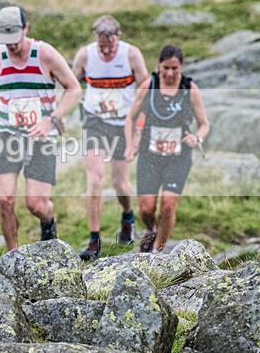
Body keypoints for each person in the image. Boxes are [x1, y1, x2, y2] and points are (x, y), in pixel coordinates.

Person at [0, 6, 82, 251]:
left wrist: (52, 119)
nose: (11, 46)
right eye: (6, 41)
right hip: (7, 132)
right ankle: (13, 255)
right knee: (4, 199)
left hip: (40, 136)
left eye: (15, 39)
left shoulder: (45, 55)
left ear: (26, 28)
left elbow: (74, 89)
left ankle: (48, 223)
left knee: (36, 204)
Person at [72, 15, 149, 260]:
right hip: (96, 122)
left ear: (119, 37)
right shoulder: (85, 55)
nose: (105, 51)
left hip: (123, 124)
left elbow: (146, 92)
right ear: (95, 38)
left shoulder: (131, 55)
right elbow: (71, 84)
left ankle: (127, 215)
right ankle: (94, 242)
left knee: (119, 183)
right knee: (95, 179)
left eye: (110, 46)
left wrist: (138, 129)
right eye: (101, 46)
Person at [123, 45, 210, 253]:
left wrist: (196, 137)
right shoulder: (148, 86)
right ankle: (151, 230)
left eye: (175, 69)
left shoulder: (190, 89)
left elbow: (204, 124)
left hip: (178, 156)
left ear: (181, 67)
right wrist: (130, 144)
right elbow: (130, 117)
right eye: (165, 68)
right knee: (146, 207)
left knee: (168, 205)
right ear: (158, 65)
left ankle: (159, 251)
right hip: (149, 154)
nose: (170, 73)